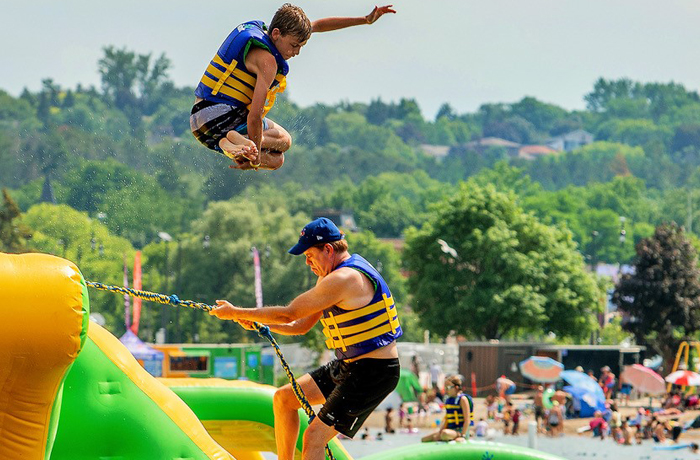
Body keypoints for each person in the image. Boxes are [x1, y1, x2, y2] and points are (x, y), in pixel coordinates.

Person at [209, 217, 402, 460]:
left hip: (374, 372)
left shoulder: (345, 279)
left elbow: (288, 313)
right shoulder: (329, 278)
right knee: (284, 399)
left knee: (313, 438)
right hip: (351, 366)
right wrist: (259, 322)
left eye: (309, 255)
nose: (308, 263)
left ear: (329, 249)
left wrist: (235, 312)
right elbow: (298, 325)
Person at [191, 3, 396, 171]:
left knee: (277, 160)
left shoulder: (271, 33)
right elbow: (254, 117)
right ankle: (242, 143)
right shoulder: (268, 62)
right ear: (277, 34)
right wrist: (254, 160)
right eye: (294, 45)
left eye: (301, 46)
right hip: (221, 115)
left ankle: (233, 144)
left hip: (201, 122)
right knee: (285, 141)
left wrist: (365, 20)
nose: (297, 52)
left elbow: (318, 25)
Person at [421, 375, 473, 442]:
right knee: (424, 439)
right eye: (445, 388)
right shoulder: (449, 400)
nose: (446, 390)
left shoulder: (463, 399)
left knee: (445, 434)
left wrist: (462, 435)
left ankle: (457, 435)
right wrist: (439, 433)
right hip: (450, 430)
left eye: (448, 387)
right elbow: (447, 419)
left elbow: (467, 420)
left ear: (456, 387)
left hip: (460, 431)